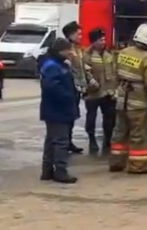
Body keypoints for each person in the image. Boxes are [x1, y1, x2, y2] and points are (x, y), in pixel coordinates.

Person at [109, 23, 147, 175]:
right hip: (139, 104)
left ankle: (116, 162)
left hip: (121, 101)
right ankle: (138, 166)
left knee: (120, 132)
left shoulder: (123, 53)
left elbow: (115, 74)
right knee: (139, 135)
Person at [38, 38, 79, 184]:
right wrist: (68, 97)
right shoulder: (53, 66)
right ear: (61, 50)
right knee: (61, 141)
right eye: (69, 50)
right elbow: (52, 87)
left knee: (51, 140)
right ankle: (60, 172)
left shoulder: (57, 64)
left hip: (54, 109)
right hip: (58, 109)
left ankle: (47, 171)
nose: (71, 52)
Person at [83, 27, 117, 154]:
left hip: (108, 93)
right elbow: (86, 73)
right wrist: (93, 84)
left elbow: (114, 72)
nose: (103, 42)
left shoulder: (109, 54)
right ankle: (92, 140)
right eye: (100, 40)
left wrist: (115, 89)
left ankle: (107, 140)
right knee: (91, 118)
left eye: (104, 39)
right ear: (94, 42)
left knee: (109, 118)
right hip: (93, 93)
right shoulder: (87, 55)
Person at [62, 21, 87, 154]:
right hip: (69, 87)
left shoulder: (77, 48)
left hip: (77, 88)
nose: (80, 36)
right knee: (67, 116)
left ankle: (68, 141)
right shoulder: (66, 49)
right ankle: (64, 142)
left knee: (72, 116)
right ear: (70, 34)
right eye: (78, 34)